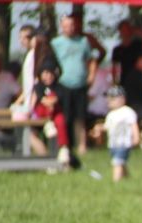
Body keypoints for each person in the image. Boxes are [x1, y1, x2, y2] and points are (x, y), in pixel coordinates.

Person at [51, 14, 97, 168]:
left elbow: (91, 60)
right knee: (66, 117)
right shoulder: (56, 43)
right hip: (64, 83)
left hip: (80, 83)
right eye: (66, 25)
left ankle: (82, 145)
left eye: (71, 25)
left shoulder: (83, 42)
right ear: (61, 27)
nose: (69, 28)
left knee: (81, 116)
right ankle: (66, 145)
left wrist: (91, 76)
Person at [29, 60, 70, 166]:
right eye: (45, 73)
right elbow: (40, 100)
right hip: (40, 117)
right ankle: (45, 157)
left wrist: (50, 101)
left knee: (60, 122)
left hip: (55, 115)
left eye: (51, 73)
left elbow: (55, 100)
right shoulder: (38, 87)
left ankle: (63, 148)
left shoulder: (59, 87)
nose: (48, 76)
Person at [111, 19, 142, 121]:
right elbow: (114, 67)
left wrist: (139, 32)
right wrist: (115, 82)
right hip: (125, 79)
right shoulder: (118, 50)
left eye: (128, 29)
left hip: (139, 78)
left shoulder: (137, 45)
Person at [103, 85, 139, 181]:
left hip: (123, 143)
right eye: (108, 98)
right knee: (120, 162)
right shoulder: (111, 114)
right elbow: (107, 127)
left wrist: (136, 138)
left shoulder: (127, 112)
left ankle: (116, 181)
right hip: (113, 144)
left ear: (122, 99)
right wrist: (99, 130)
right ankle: (127, 178)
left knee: (117, 162)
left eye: (112, 99)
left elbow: (133, 125)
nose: (109, 101)